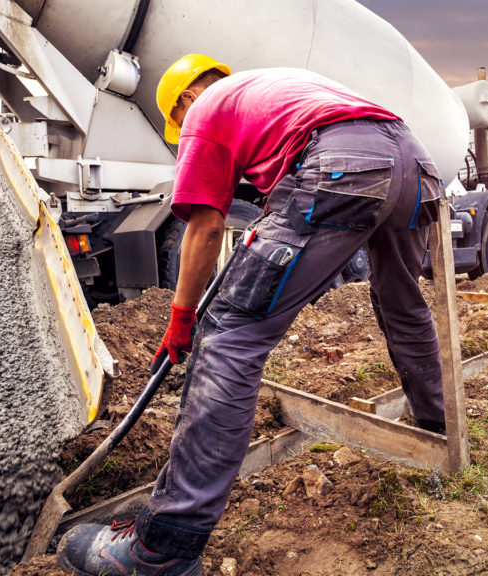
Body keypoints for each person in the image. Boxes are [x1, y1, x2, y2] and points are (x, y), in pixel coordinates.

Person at [56, 54, 447, 576]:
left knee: (229, 339)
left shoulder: (203, 112)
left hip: (342, 167)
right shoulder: (279, 86)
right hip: (415, 164)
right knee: (403, 306)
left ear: (185, 101)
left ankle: (163, 549)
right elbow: (311, 153)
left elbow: (205, 227)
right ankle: (438, 433)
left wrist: (183, 318)